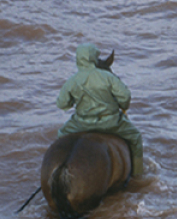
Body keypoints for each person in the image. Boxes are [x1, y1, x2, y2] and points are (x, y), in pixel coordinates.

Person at [56, 42, 144, 177]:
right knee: (136, 137)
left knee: (61, 136)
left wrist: (74, 100)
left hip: (81, 123)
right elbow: (125, 96)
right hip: (111, 122)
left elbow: (62, 104)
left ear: (78, 59)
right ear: (94, 58)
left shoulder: (72, 81)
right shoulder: (108, 77)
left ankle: (58, 170)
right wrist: (123, 106)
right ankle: (138, 176)